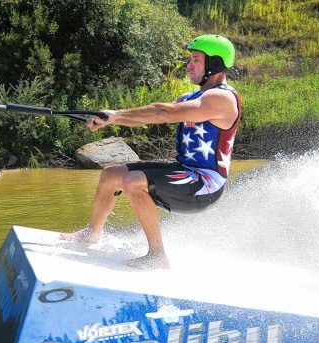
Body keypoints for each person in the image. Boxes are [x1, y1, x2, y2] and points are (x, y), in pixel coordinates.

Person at [61, 34, 242, 269]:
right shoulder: (188, 98)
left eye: (196, 59)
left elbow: (164, 113)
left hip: (205, 184)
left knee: (133, 181)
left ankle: (157, 257)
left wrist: (117, 114)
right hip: (185, 171)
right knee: (110, 175)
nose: (189, 65)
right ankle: (92, 233)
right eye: (190, 59)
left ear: (215, 64)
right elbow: (149, 119)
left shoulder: (223, 98)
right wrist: (111, 119)